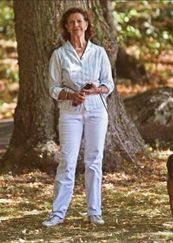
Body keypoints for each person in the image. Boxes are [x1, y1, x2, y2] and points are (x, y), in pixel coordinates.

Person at [42, 7, 114, 227]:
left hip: (96, 112)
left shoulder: (99, 52)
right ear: (66, 27)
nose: (76, 25)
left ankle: (94, 212)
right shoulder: (59, 55)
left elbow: (108, 84)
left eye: (80, 21)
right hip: (70, 113)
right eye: (71, 22)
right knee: (68, 161)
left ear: (86, 24)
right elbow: (53, 88)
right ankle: (58, 213)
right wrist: (71, 94)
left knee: (94, 161)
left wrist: (95, 89)